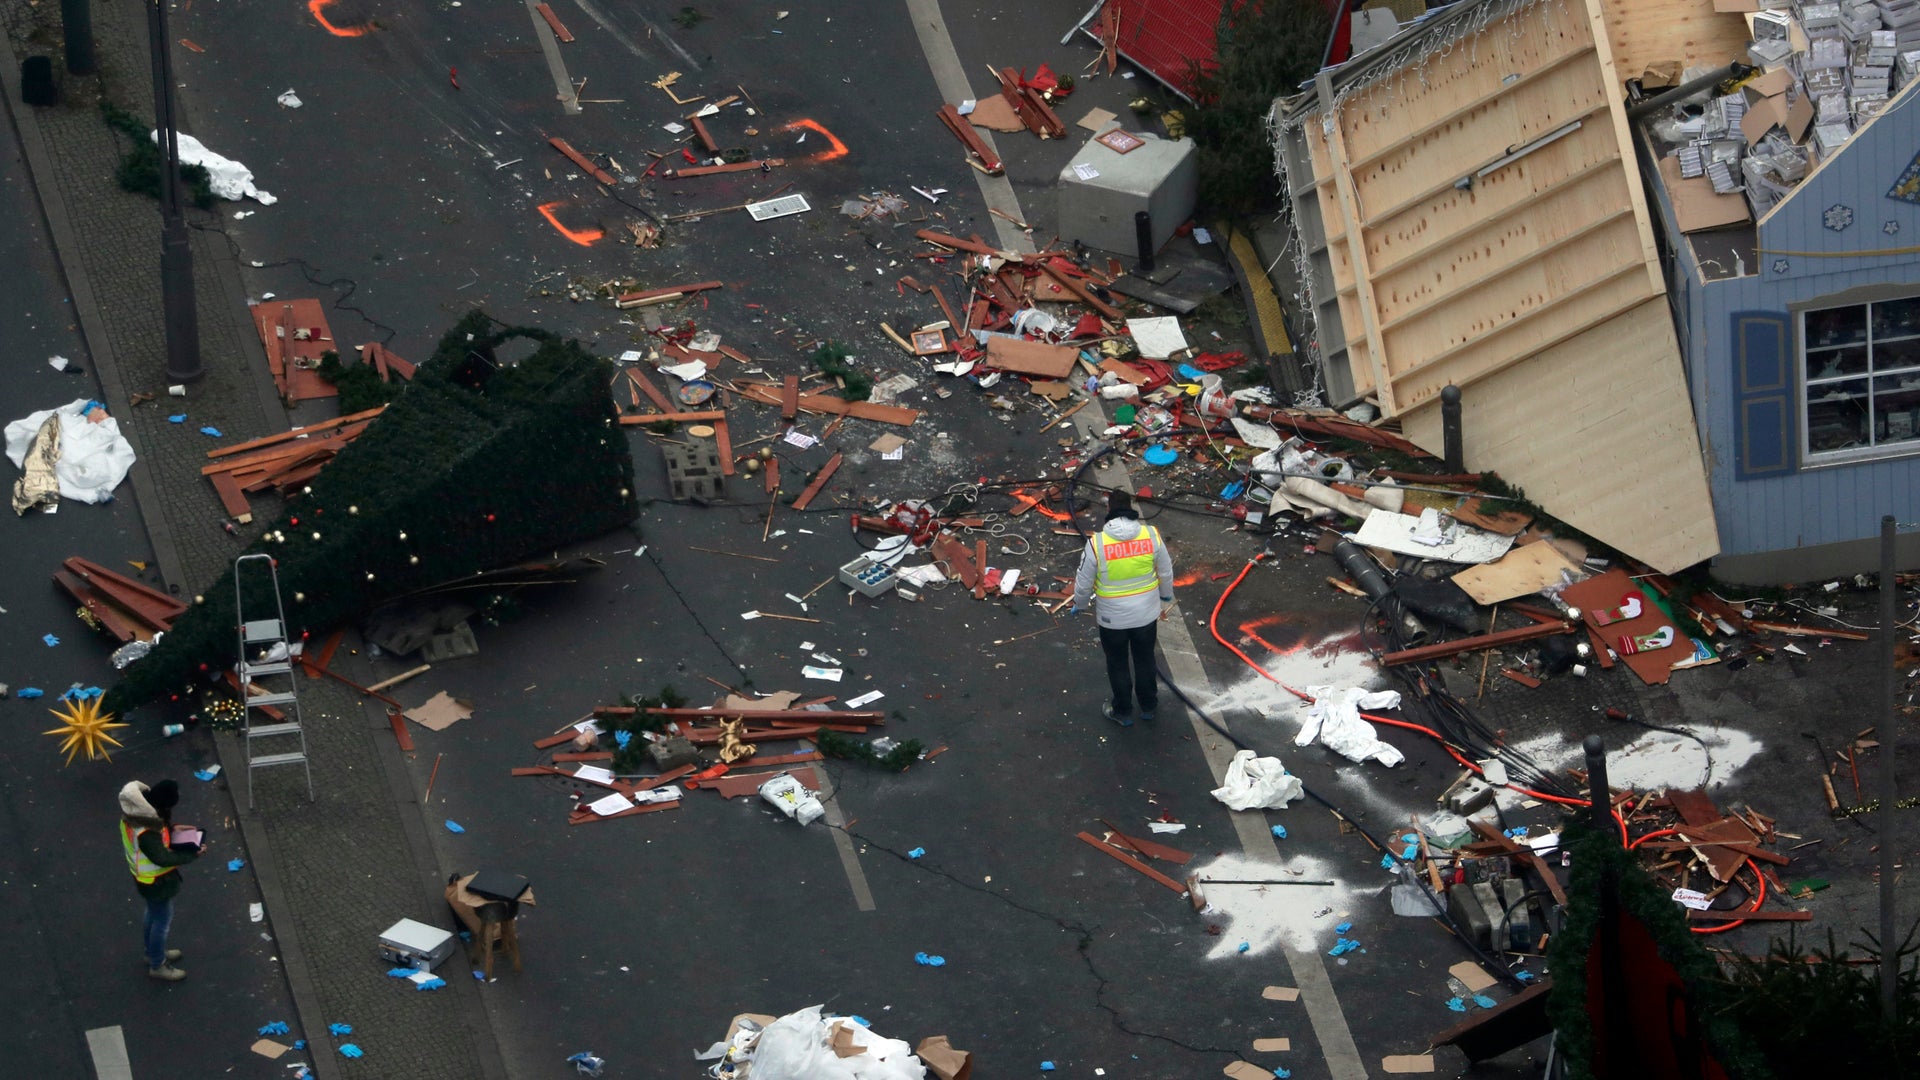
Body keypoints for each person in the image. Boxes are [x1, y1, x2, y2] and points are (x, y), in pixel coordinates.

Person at [1070, 490, 1175, 726]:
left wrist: (1080, 604)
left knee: (1117, 663)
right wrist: (1166, 596)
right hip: (1146, 615)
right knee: (1145, 659)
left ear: (1110, 511)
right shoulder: (1151, 535)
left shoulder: (1097, 543)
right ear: (1131, 509)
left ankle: (1123, 711)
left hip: (1112, 619)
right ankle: (1148, 706)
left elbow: (1084, 581)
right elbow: (1166, 571)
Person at [118, 779, 204, 981]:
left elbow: (157, 835)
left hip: (145, 881)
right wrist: (192, 855)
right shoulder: (147, 832)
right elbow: (161, 857)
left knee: (153, 915)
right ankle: (157, 964)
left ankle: (152, 953)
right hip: (156, 882)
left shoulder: (135, 814)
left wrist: (172, 830)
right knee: (162, 922)